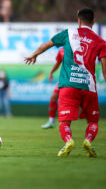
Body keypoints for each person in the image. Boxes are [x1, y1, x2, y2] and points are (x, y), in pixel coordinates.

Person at [24, 8, 106, 157]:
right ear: (93, 22)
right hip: (89, 87)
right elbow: (105, 69)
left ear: (78, 20)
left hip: (68, 86)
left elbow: (46, 45)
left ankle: (68, 141)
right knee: (93, 121)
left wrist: (34, 55)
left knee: (64, 121)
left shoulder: (69, 33)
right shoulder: (100, 41)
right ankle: (88, 141)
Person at [41, 47, 64, 129]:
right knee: (53, 97)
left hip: (78, 78)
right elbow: (58, 62)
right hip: (64, 79)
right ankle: (51, 121)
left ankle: (91, 120)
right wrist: (51, 72)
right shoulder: (61, 50)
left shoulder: (78, 47)